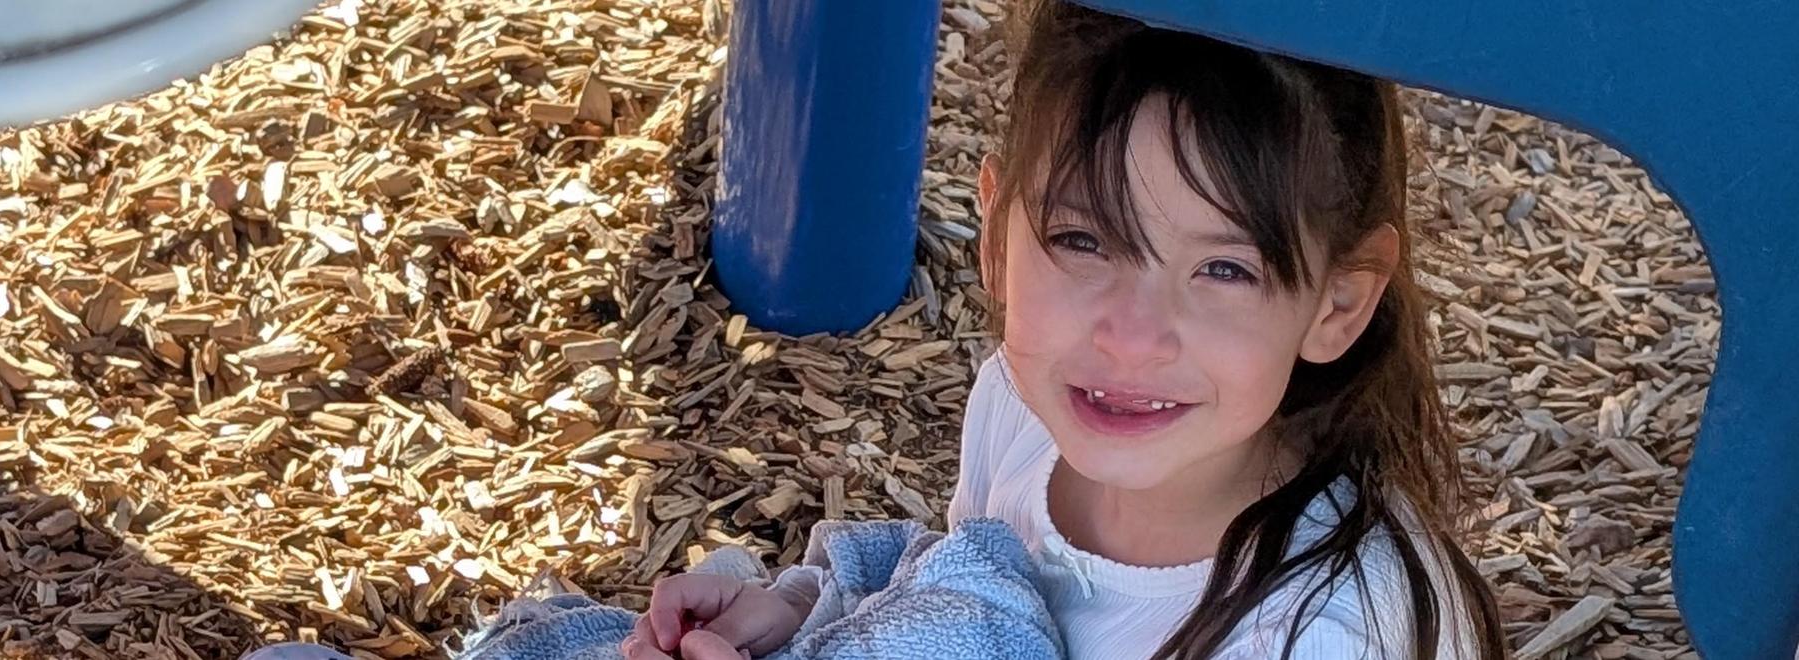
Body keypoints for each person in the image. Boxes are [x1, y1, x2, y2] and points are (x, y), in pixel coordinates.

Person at [626, 1, 1506, 658]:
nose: (1132, 336)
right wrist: (807, 617)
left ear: (1338, 304)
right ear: (998, 236)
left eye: (1224, 270)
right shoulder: (1020, 406)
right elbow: (958, 590)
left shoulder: (1318, 633)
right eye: (1082, 241)